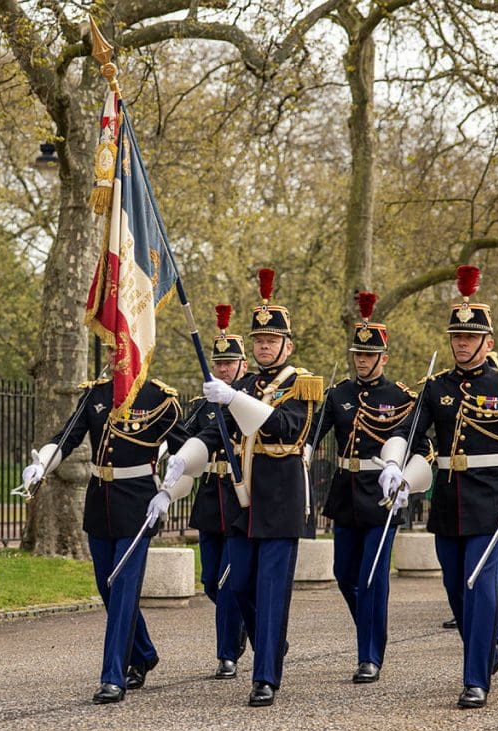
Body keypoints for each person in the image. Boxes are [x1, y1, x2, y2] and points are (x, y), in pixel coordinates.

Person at [381, 265, 498, 709]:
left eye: (470, 337)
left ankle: (474, 678)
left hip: (491, 499)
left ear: (488, 342)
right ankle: (487, 643)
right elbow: (412, 435)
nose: (461, 343)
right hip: (448, 500)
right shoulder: (434, 388)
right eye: (456, 336)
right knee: (458, 590)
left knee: (482, 590)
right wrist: (395, 468)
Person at [166, 268, 322, 707]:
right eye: (258, 341)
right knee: (234, 587)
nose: (264, 347)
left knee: (271, 591)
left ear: (288, 345)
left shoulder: (302, 384)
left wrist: (234, 399)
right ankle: (271, 646)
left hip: (279, 501)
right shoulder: (245, 385)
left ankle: (266, 676)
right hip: (242, 502)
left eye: (272, 341)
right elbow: (217, 434)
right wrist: (186, 455)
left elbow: (288, 430)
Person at [21, 374, 192, 704]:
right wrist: (42, 463)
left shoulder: (160, 397)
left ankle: (113, 677)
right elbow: (66, 438)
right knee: (107, 586)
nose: (117, 352)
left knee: (124, 587)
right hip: (102, 502)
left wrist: (168, 494)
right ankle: (143, 652)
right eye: (113, 345)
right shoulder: (95, 393)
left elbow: (188, 456)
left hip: (139, 503)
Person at [307, 291, 430, 684]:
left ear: (384, 358)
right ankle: (372, 629)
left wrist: (406, 478)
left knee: (373, 574)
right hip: (345, 492)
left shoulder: (401, 398)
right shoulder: (338, 393)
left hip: (382, 495)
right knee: (345, 574)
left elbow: (421, 447)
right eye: (357, 354)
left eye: (369, 355)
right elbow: (311, 433)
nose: (361, 360)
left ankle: (369, 656)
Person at [185, 304, 248, 679]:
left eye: (230, 364)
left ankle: (226, 653)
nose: (223, 369)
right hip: (211, 496)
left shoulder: (250, 398)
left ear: (242, 365)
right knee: (211, 580)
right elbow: (185, 436)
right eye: (218, 363)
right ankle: (243, 623)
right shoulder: (203, 404)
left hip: (240, 496)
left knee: (228, 580)